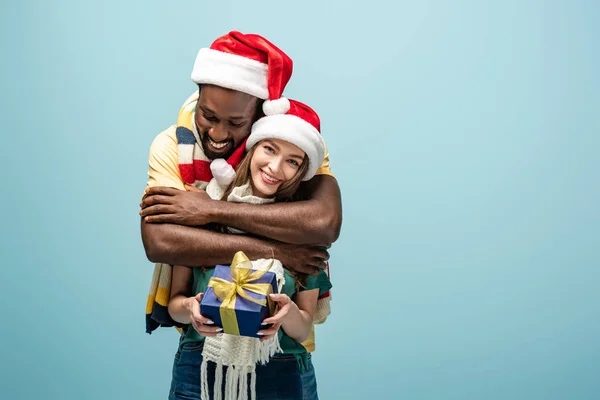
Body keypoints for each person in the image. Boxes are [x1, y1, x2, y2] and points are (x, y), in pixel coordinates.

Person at [140, 31, 342, 353]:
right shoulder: (172, 145)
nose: (218, 134)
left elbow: (324, 222)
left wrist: (208, 211)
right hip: (202, 353)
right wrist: (280, 252)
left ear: (261, 115)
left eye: (236, 122)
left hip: (284, 357)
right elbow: (162, 241)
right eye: (208, 116)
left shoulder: (297, 142)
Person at [167, 99, 331, 400]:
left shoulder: (304, 231)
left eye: (293, 161)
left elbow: (303, 327)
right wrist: (190, 308)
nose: (275, 168)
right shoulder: (202, 213)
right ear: (252, 148)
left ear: (301, 171)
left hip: (279, 367)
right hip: (200, 366)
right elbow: (175, 304)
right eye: (269, 149)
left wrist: (287, 312)